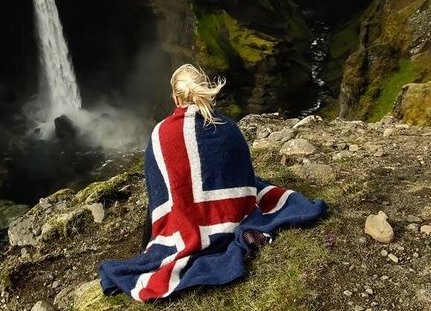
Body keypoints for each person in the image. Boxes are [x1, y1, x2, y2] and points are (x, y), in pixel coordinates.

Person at [99, 64, 327, 302]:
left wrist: (149, 243)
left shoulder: (159, 135)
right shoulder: (229, 129)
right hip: (232, 215)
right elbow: (244, 181)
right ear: (204, 90)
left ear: (176, 97)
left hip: (182, 226)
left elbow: (160, 197)